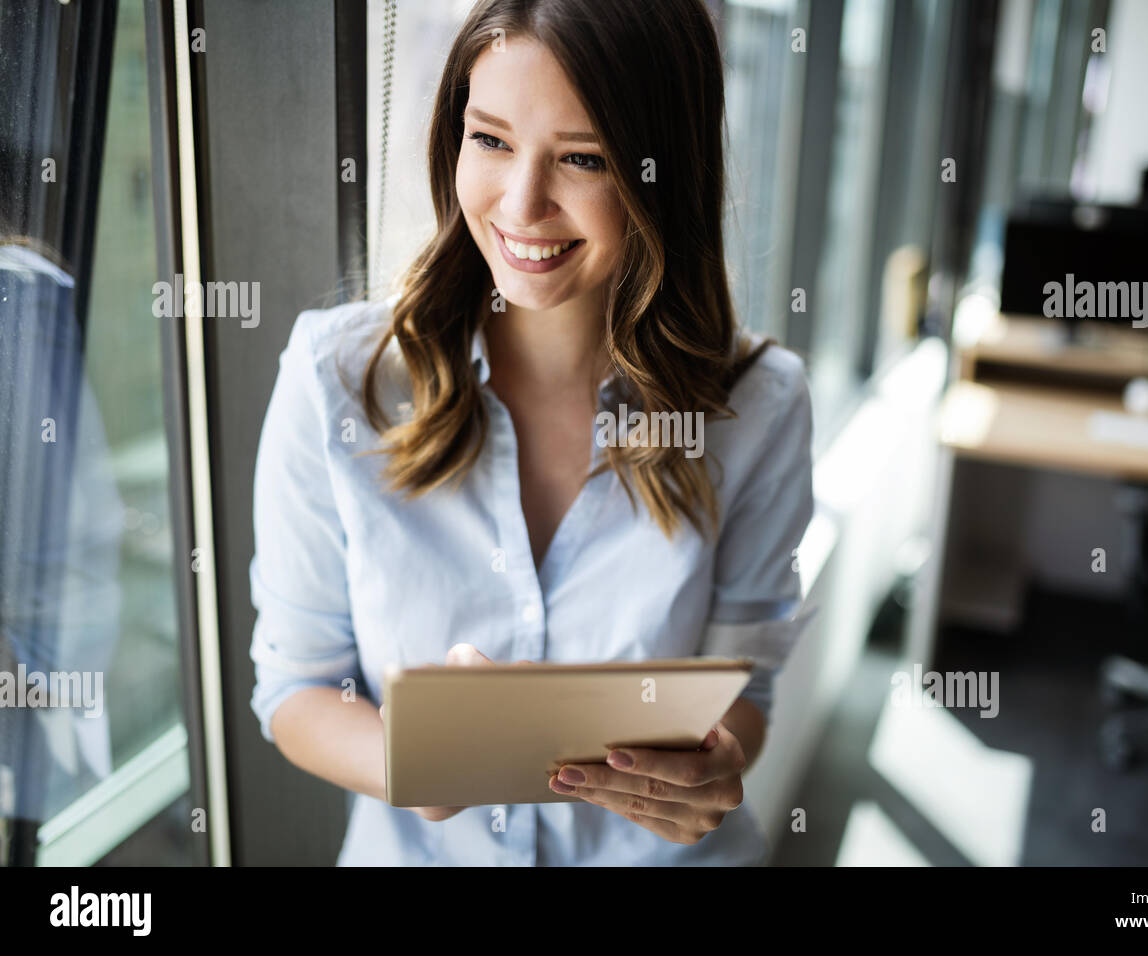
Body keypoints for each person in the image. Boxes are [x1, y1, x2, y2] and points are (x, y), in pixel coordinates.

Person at [248, 0, 814, 865]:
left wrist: (713, 769)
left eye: (583, 158)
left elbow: (745, 690)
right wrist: (413, 765)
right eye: (492, 140)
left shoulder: (760, 407)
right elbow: (295, 689)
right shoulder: (338, 379)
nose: (521, 205)